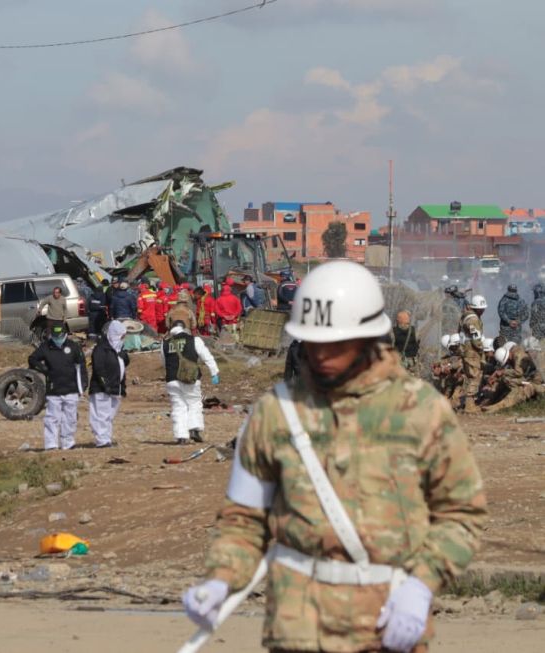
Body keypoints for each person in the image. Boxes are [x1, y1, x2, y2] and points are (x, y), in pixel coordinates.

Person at [182, 260, 487, 653]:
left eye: (335, 343)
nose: (322, 355)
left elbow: (462, 513)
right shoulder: (275, 414)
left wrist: (420, 586)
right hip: (297, 629)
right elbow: (243, 519)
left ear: (368, 338)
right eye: (313, 342)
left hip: (386, 625)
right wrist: (220, 579)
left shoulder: (420, 411)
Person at [29, 324, 88, 451]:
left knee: (70, 418)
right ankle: (51, 444)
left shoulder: (73, 346)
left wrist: (83, 384)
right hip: (54, 388)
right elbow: (32, 359)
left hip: (71, 388)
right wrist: (43, 369)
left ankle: (68, 443)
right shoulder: (46, 346)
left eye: (60, 336)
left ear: (65, 334)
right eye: (55, 337)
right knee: (52, 418)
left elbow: (81, 366)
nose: (57, 339)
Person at [162, 319, 219, 443]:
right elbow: (207, 357)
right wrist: (214, 372)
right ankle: (194, 430)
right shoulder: (194, 340)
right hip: (190, 378)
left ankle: (181, 437)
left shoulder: (165, 343)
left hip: (172, 379)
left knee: (178, 407)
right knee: (194, 403)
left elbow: (164, 362)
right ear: (184, 328)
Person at [88, 320, 129, 448]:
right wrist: (105, 385)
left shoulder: (117, 349)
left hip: (115, 388)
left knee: (109, 415)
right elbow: (99, 369)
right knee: (101, 414)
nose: (123, 339)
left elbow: (123, 364)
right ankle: (102, 440)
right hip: (101, 388)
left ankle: (106, 437)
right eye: (121, 336)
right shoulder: (101, 349)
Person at [482, 342, 543, 413]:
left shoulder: (518, 355)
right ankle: (493, 402)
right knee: (506, 380)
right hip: (532, 379)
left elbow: (519, 373)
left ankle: (498, 406)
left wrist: (503, 372)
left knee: (524, 389)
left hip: (537, 384)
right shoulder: (519, 356)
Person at [459, 294, 488, 412]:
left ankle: (464, 403)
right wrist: (482, 349)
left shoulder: (465, 317)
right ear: (478, 308)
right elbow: (476, 339)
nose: (484, 311)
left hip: (466, 350)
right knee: (475, 376)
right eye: (482, 309)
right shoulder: (473, 320)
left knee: (469, 376)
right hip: (472, 351)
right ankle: (469, 405)